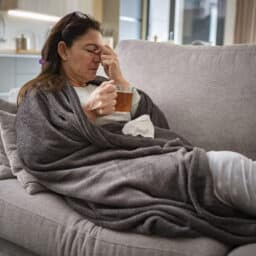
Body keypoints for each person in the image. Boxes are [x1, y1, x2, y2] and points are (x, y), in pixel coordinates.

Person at [15, 11, 256, 245]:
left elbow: (157, 125)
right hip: (112, 165)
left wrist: (120, 80)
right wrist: (88, 114)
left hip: (146, 152)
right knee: (224, 166)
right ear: (63, 50)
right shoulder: (43, 94)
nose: (98, 58)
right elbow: (38, 149)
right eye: (90, 50)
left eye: (102, 51)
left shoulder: (103, 85)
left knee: (224, 165)